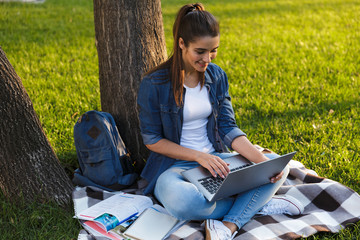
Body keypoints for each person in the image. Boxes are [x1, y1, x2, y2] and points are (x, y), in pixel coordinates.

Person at [137, 3, 304, 240]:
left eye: (213, 50)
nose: (208, 58)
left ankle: (229, 225)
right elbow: (152, 141)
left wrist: (262, 163)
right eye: (200, 51)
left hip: (219, 163)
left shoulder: (217, 76)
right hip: (174, 169)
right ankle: (256, 205)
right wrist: (198, 156)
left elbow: (228, 127)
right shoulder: (154, 84)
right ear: (182, 43)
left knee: (280, 165)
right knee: (184, 203)